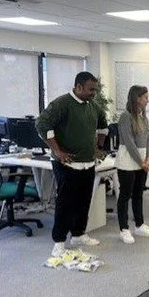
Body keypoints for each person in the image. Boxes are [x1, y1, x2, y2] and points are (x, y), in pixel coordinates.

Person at [36, 71, 108, 257]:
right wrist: (58, 151)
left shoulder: (93, 106)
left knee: (84, 201)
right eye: (91, 90)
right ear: (78, 87)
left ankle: (78, 234)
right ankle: (59, 241)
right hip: (66, 164)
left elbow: (103, 126)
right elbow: (42, 125)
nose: (94, 93)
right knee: (66, 204)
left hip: (87, 163)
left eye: (96, 90)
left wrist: (98, 147)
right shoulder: (62, 104)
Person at [115, 85, 149, 244]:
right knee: (125, 195)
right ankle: (124, 229)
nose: (148, 100)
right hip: (128, 160)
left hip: (142, 160)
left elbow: (148, 139)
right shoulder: (125, 117)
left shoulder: (143, 116)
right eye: (145, 97)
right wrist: (142, 162)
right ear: (137, 99)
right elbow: (130, 143)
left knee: (138, 193)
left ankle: (139, 225)